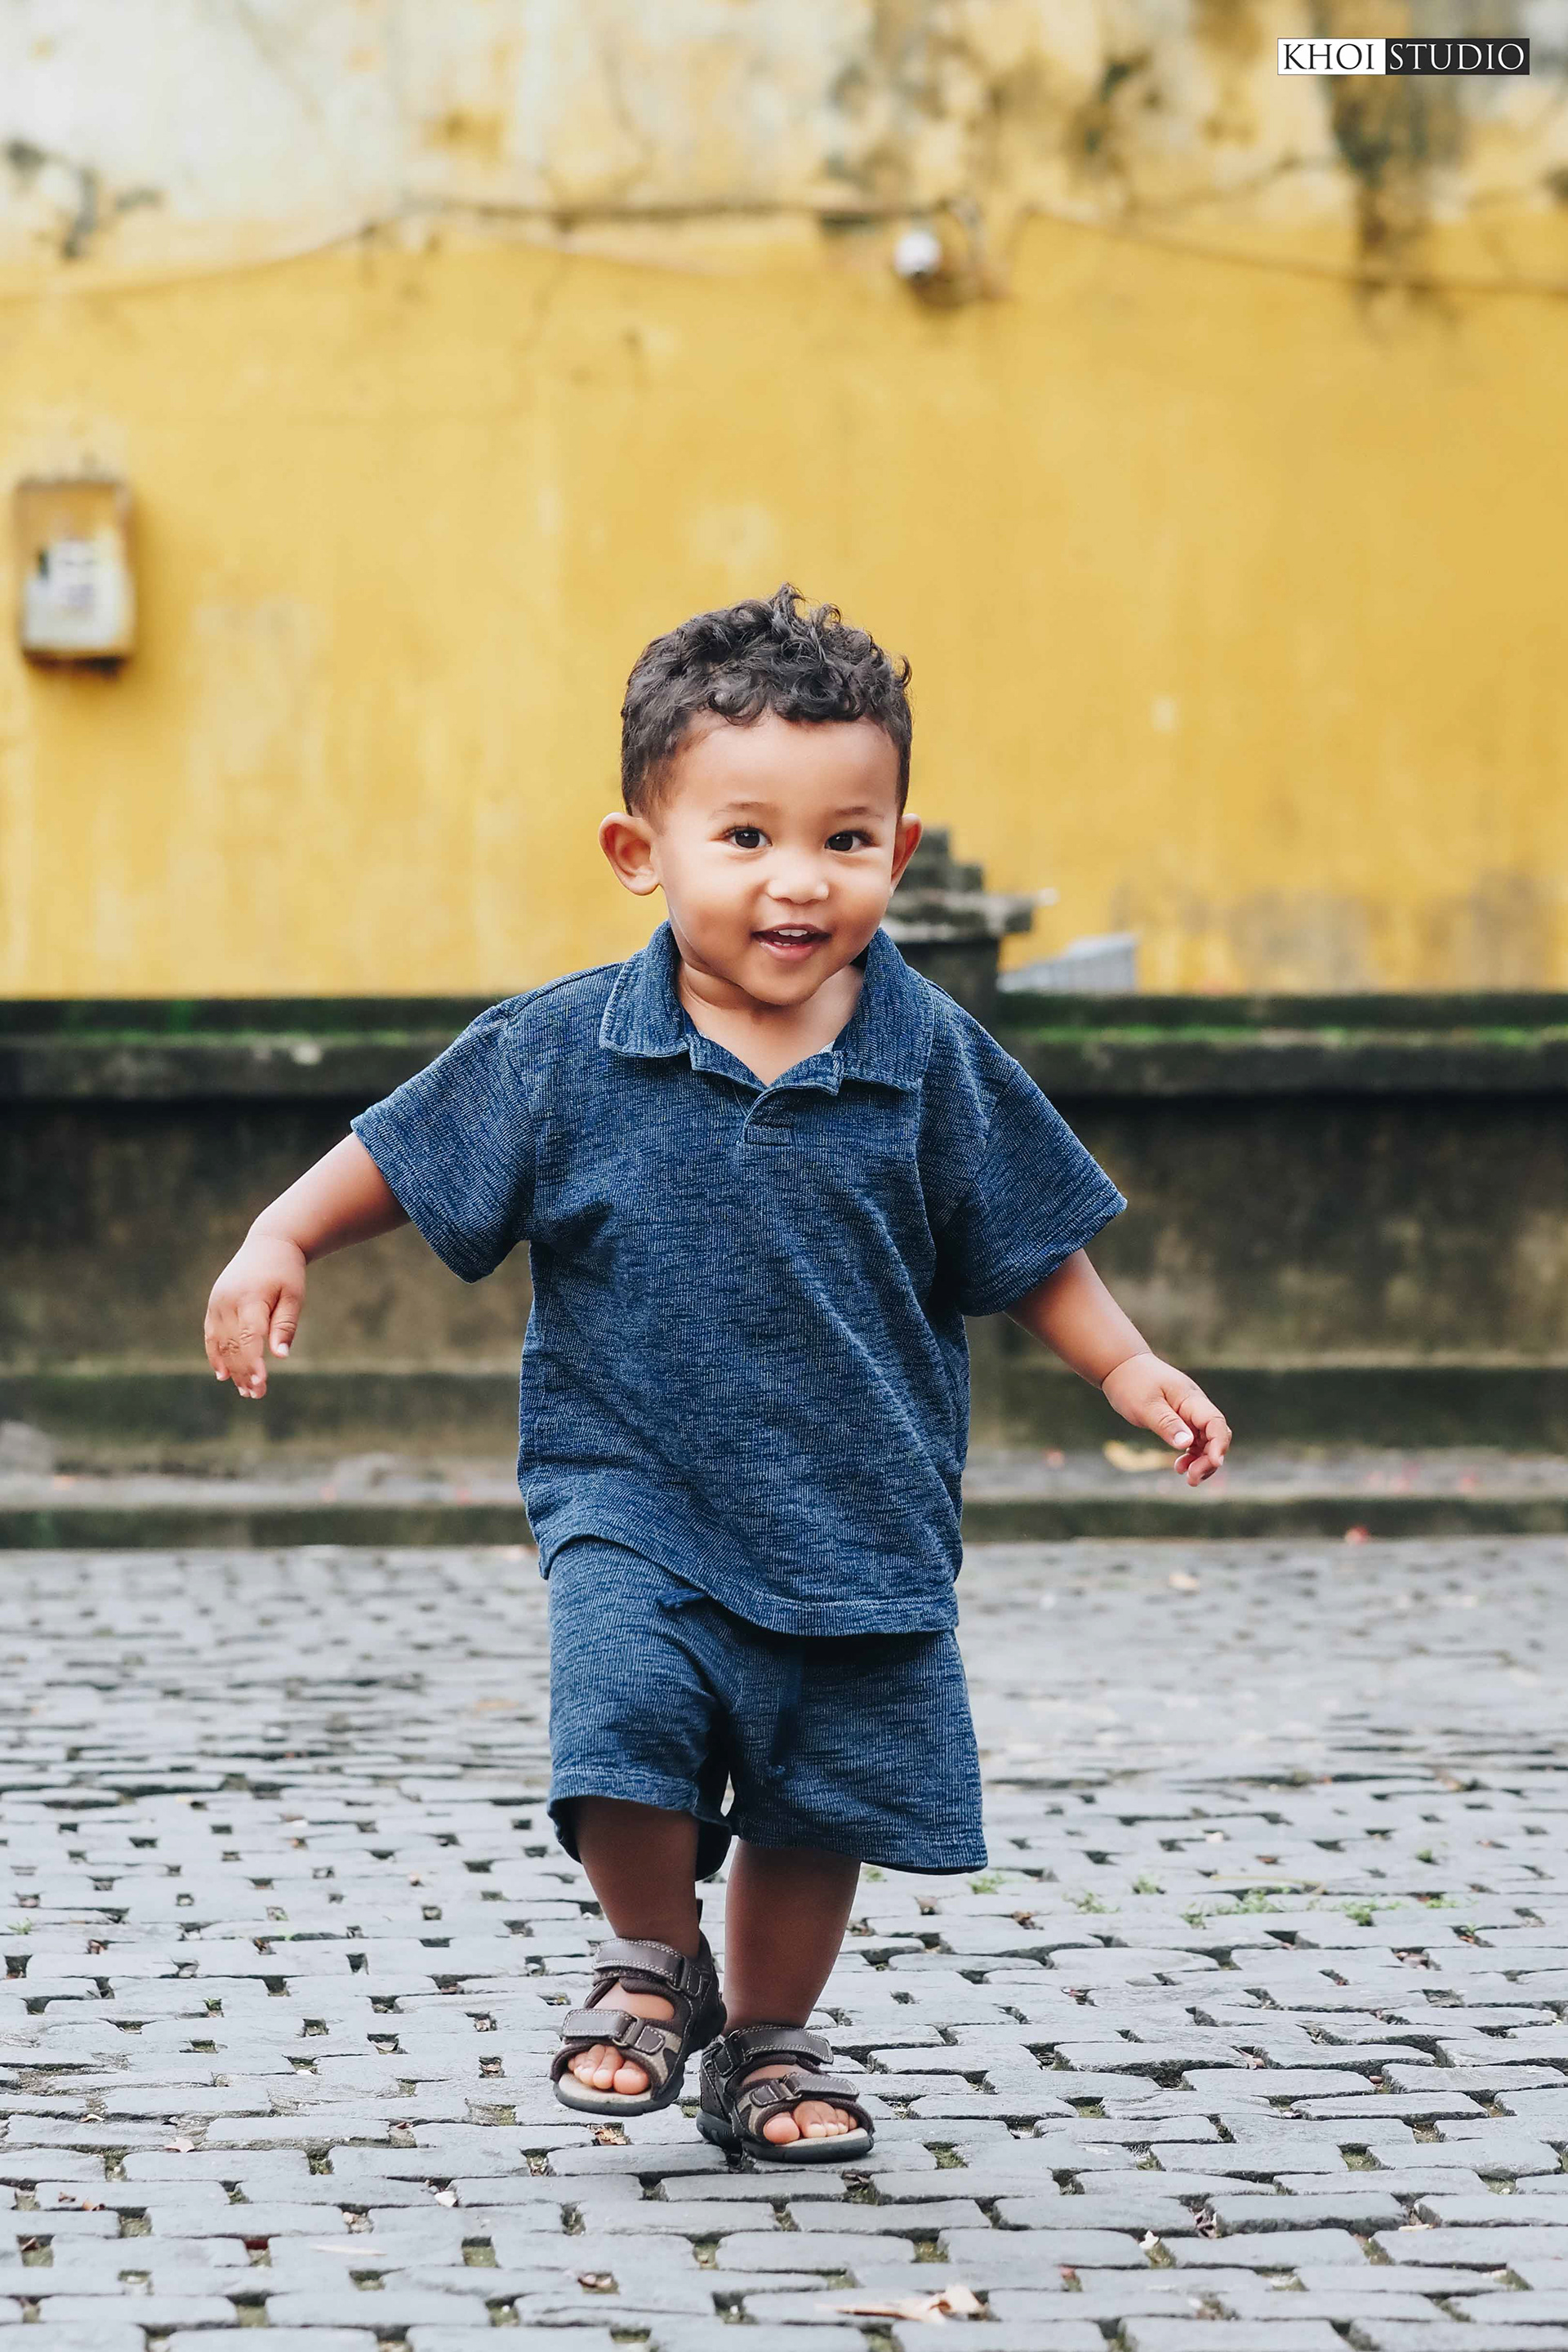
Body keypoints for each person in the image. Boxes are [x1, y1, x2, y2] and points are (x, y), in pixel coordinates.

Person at [203, 584, 1231, 2164]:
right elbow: (405, 1156)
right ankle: (648, 1957)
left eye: (845, 838)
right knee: (622, 1712)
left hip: (858, 1504)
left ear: (898, 847)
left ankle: (766, 2041)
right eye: (745, 836)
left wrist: (1129, 1364)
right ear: (644, 851)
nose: (798, 879)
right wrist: (280, 1237)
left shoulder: (930, 1057)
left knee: (820, 1798)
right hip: (635, 1489)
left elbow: (1024, 1242)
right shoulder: (565, 1049)